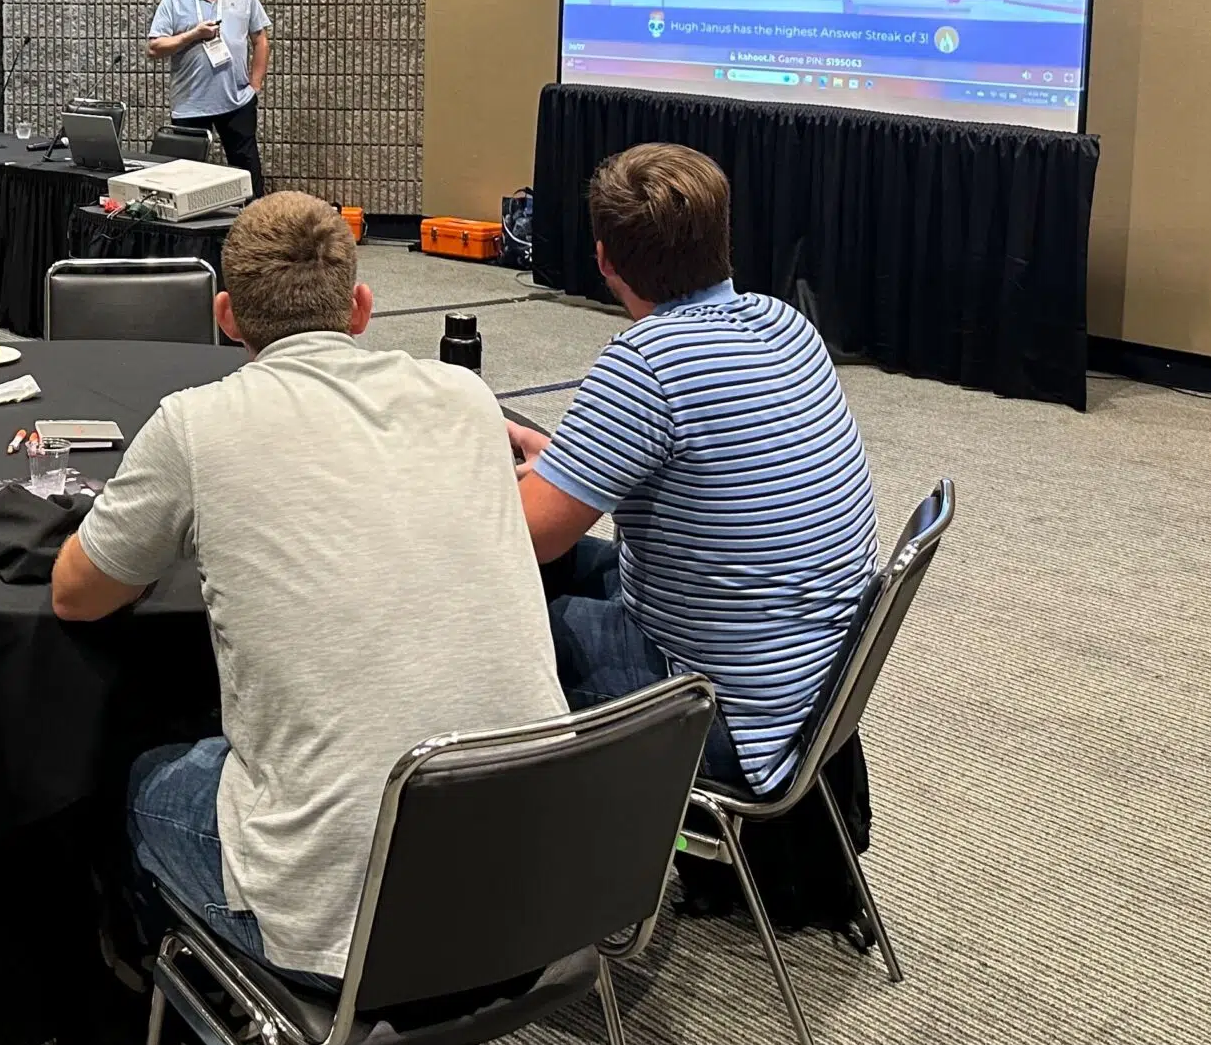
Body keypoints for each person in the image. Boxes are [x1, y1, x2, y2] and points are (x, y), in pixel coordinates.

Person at [52, 192, 565, 985]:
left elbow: (77, 596)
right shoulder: (466, 399)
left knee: (141, 775)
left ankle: (177, 983)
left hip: (344, 929)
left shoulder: (196, 424)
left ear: (227, 316)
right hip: (542, 893)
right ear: (361, 307)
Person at [509, 143, 880, 794]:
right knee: (578, 568)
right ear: (722, 238)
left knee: (490, 613)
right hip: (805, 686)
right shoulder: (785, 324)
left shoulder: (648, 362)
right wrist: (560, 465)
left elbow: (521, 540)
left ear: (605, 259)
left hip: (724, 716)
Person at [145, 0, 269, 197]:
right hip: (192, 103)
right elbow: (154, 48)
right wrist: (193, 34)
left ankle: (257, 229)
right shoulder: (174, 0)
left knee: (247, 170)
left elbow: (260, 39)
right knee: (186, 176)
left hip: (236, 100)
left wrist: (255, 85)